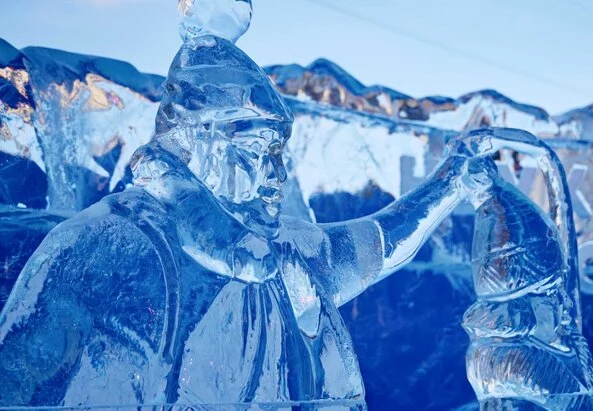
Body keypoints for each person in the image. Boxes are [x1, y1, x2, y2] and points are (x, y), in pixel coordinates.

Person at [0, 0, 492, 407]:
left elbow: (380, 243)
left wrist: (452, 180)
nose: (278, 174)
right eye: (258, 152)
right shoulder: (105, 248)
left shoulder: (286, 253)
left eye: (281, 154)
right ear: (198, 144)